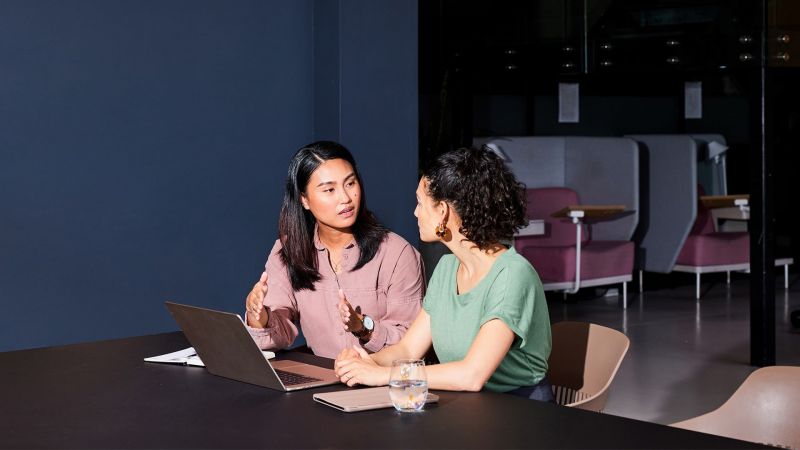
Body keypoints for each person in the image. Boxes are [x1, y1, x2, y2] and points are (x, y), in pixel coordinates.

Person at [334, 146, 553, 401]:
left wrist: (383, 376)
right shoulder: (448, 269)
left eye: (420, 202)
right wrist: (367, 362)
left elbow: (472, 375)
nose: (415, 212)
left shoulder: (513, 275)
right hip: (470, 407)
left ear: (442, 212)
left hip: (520, 410)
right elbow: (408, 348)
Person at [244, 141, 424, 359]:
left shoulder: (397, 253)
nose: (345, 198)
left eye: (350, 183)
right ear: (304, 200)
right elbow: (278, 336)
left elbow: (412, 342)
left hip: (381, 384)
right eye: (329, 189)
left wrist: (363, 327)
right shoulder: (288, 250)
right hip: (321, 383)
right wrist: (259, 317)